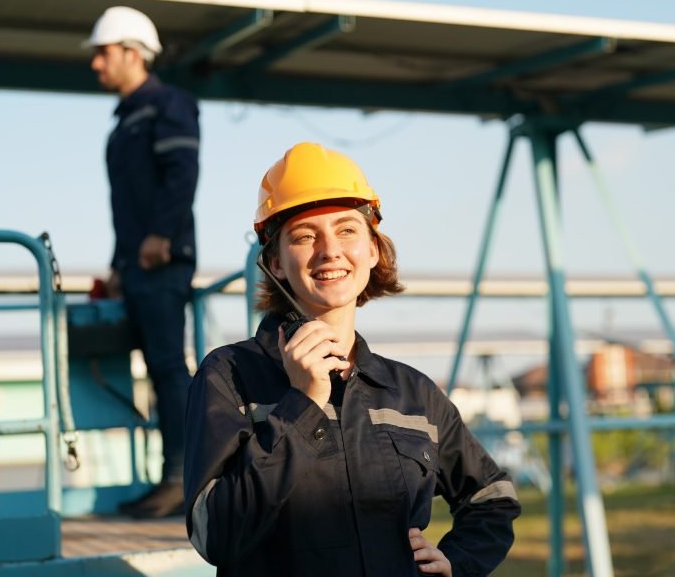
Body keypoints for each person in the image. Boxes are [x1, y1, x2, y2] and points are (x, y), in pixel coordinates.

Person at [184, 142, 520, 576]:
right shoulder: (228, 377)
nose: (330, 251)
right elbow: (216, 536)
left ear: (373, 250)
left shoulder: (412, 394)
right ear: (276, 263)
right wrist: (301, 406)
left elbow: (492, 498)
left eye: (347, 230)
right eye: (305, 236)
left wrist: (458, 561)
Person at [84, 6, 200, 519]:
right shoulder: (127, 118)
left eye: (103, 53)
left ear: (133, 53)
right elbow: (127, 205)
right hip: (136, 264)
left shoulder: (167, 104)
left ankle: (182, 480)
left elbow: (182, 173)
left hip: (162, 261)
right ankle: (168, 477)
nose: (96, 64)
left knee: (170, 369)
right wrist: (116, 265)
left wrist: (159, 237)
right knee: (158, 371)